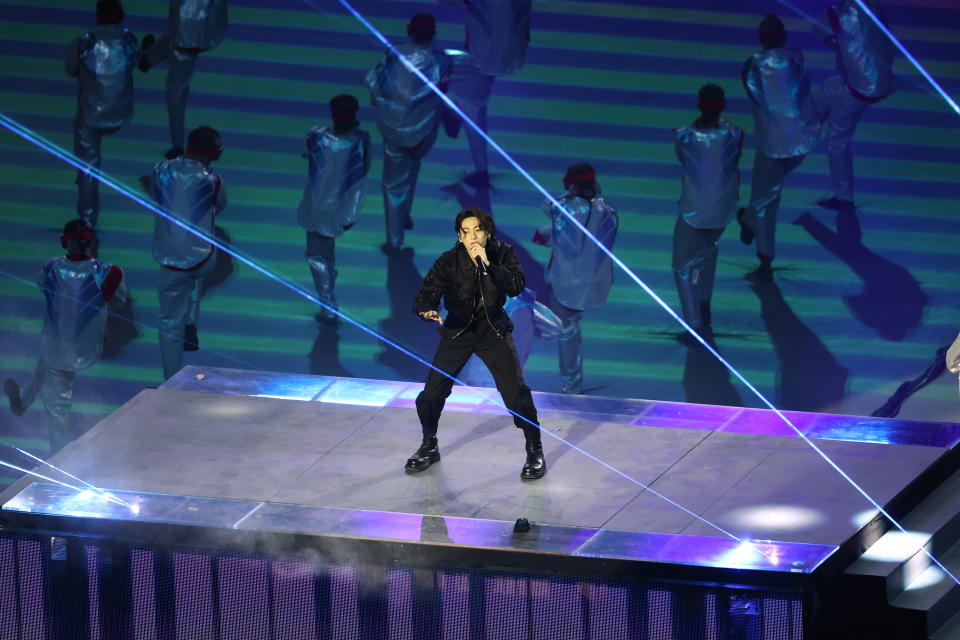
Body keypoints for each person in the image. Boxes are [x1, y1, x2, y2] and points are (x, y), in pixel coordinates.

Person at [409, 208, 546, 479]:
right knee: (431, 395)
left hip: (492, 331)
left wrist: (488, 264)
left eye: (477, 231)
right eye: (465, 232)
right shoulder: (448, 262)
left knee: (515, 394)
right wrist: (427, 310)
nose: (472, 237)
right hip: (458, 332)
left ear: (487, 232)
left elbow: (516, 286)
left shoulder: (502, 253)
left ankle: (534, 449)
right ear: (459, 236)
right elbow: (426, 294)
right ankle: (429, 444)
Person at [3, 219, 126, 453]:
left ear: (64, 242)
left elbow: (44, 287)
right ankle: (23, 400)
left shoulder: (50, 267)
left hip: (60, 347)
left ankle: (57, 457)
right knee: (48, 358)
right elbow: (118, 300)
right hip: (88, 346)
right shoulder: (110, 273)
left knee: (57, 404)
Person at [737, 14, 819, 281]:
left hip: (772, 146)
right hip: (801, 143)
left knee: (765, 201)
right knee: (767, 194)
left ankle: (765, 258)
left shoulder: (751, 66)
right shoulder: (796, 56)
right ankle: (749, 221)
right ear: (784, 37)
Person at [366, 13, 450, 251]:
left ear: (408, 30)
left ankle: (395, 238)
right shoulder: (442, 61)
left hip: (395, 128)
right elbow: (443, 95)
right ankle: (404, 215)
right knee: (413, 166)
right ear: (433, 34)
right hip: (425, 129)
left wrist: (380, 105)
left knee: (393, 184)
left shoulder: (394, 54)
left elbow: (376, 82)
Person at [533, 163, 617, 394]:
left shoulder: (560, 207)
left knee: (567, 331)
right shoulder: (608, 211)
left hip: (567, 282)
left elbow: (548, 210)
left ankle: (572, 387)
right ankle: (572, 385)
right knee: (570, 327)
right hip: (595, 282)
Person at [151, 125, 226, 379]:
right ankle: (191, 320)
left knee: (169, 321)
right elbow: (221, 205)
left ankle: (170, 379)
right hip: (203, 259)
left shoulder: (160, 170)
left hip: (169, 259)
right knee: (196, 274)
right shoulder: (213, 180)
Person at [672, 84, 743, 341]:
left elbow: (685, 161)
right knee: (704, 258)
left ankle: (694, 324)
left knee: (681, 266)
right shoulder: (735, 133)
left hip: (694, 211)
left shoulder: (683, 136)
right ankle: (704, 312)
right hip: (723, 212)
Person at [813, 0, 896, 211]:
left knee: (837, 139)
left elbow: (821, 33)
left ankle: (844, 198)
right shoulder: (872, 6)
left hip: (861, 87)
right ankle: (801, 131)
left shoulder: (838, 15)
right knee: (823, 94)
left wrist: (836, 41)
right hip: (874, 79)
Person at [438, 0, 532, 185]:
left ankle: (455, 112)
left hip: (486, 59)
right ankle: (455, 112)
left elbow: (502, 30)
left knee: (473, 111)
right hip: (487, 56)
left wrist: (491, 66)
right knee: (475, 109)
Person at [64, 0, 140, 228]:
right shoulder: (130, 41)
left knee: (88, 165)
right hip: (121, 111)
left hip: (90, 114)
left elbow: (70, 70)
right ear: (122, 15)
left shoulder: (83, 43)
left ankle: (87, 218)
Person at [297, 94, 371, 323]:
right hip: (340, 206)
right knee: (322, 256)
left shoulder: (315, 135)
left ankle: (328, 304)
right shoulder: (361, 139)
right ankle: (328, 294)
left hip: (318, 205)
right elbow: (363, 171)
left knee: (317, 256)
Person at [138, 0, 229, 158]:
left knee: (176, 91)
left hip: (189, 37)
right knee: (176, 36)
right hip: (196, 28)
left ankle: (178, 145)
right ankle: (149, 58)